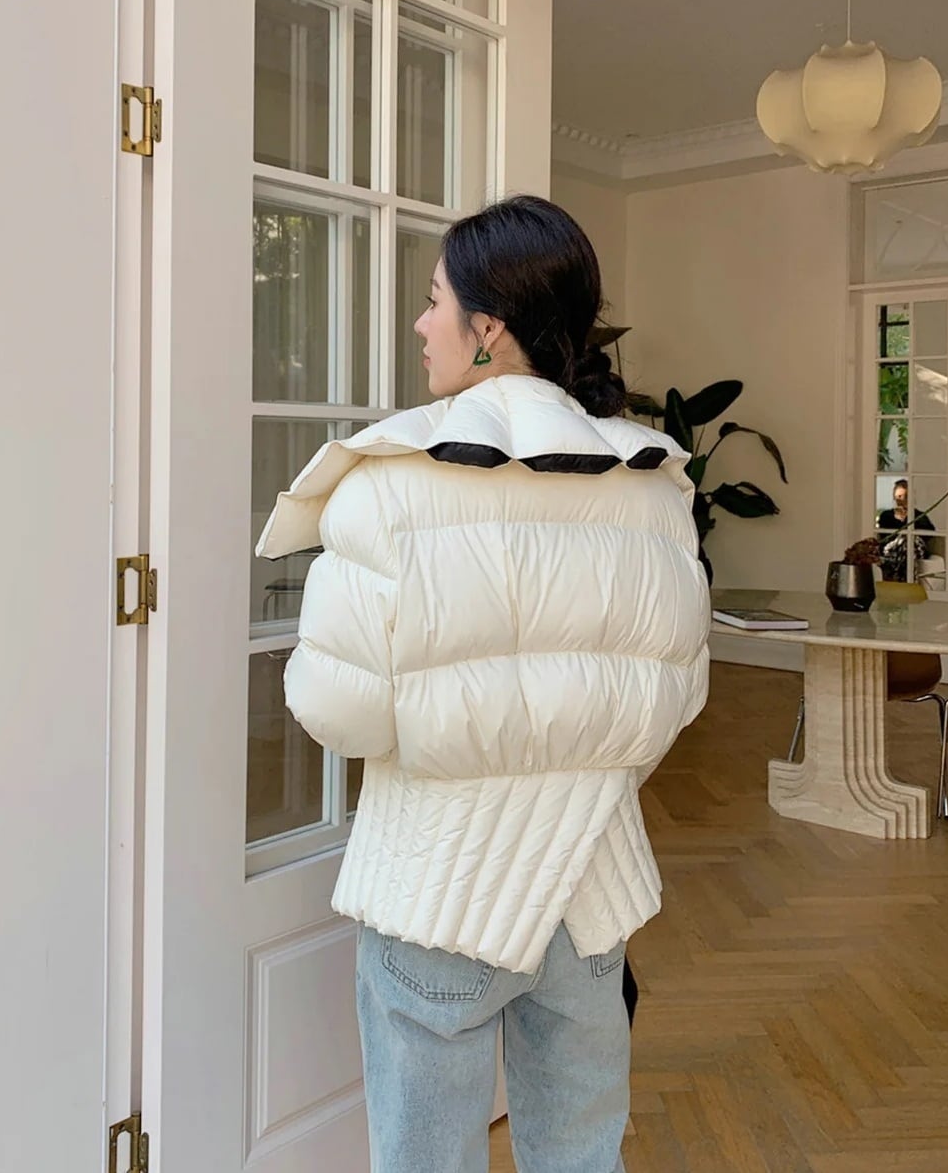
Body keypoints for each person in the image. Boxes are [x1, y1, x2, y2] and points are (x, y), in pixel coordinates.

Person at [256, 195, 711, 1173]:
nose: (421, 324)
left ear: (488, 326)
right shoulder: (655, 486)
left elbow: (337, 711)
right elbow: (674, 699)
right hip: (589, 888)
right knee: (579, 1157)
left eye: (434, 301)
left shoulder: (388, 480)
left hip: (440, 891)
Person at [877, 478, 935, 582]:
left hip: (915, 549)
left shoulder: (919, 515)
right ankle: (908, 581)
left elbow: (929, 533)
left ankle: (899, 579)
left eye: (905, 496)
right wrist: (899, 521)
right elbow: (885, 536)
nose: (901, 500)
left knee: (908, 540)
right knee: (903, 540)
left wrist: (907, 519)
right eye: (898, 496)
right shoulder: (886, 515)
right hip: (892, 548)